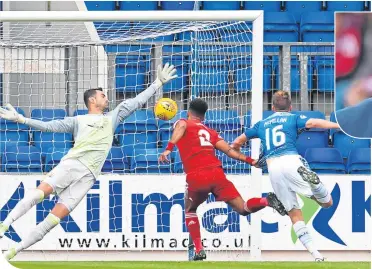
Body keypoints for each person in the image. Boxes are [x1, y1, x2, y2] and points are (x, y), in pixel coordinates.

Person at [0, 63, 178, 261]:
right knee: (39, 194)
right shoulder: (78, 120)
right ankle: (4, 224)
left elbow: (137, 101)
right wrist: (21, 120)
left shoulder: (113, 118)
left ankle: (11, 253)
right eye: (103, 96)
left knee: (53, 219)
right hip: (72, 164)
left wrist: (157, 82)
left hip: (89, 177)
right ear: (93, 100)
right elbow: (49, 126)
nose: (107, 98)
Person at [158, 98, 286, 261]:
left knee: (190, 210)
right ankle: (266, 201)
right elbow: (229, 151)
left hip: (197, 176)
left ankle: (198, 250)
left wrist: (168, 149)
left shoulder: (183, 122)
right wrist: (251, 161)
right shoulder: (210, 132)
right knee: (243, 208)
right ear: (203, 117)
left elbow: (181, 126)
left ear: (188, 112)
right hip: (217, 175)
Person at [231, 90, 340, 262]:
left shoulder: (261, 124)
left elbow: (237, 142)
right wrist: (337, 125)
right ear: (290, 107)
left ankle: (316, 256)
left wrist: (248, 158)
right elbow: (313, 123)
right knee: (327, 203)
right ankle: (316, 184)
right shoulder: (293, 118)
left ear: (272, 107)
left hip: (273, 168)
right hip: (292, 161)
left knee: (294, 214)